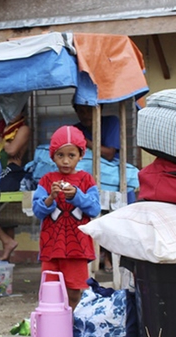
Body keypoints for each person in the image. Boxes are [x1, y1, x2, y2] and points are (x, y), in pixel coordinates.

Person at [32, 125, 101, 310]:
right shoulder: (46, 180)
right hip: (51, 246)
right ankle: (54, 329)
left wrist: (76, 196)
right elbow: (37, 210)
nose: (65, 161)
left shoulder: (86, 180)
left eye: (71, 155)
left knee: (74, 292)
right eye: (60, 155)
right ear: (52, 156)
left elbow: (94, 208)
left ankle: (73, 327)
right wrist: (50, 198)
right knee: (50, 292)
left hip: (77, 246)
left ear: (81, 155)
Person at [73, 103, 121, 272]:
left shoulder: (111, 122)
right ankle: (94, 254)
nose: (85, 115)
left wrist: (86, 141)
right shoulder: (75, 129)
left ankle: (109, 256)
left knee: (111, 216)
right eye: (81, 111)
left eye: (89, 111)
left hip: (109, 176)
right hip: (86, 178)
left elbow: (109, 154)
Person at [0, 112, 31, 261]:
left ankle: (7, 247)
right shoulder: (0, 126)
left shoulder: (22, 128)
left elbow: (11, 150)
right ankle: (7, 244)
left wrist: (1, 140)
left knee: (6, 214)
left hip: (11, 170)